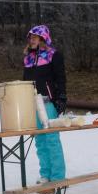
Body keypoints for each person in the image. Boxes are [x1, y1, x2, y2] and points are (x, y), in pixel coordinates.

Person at [23, 25, 67, 183]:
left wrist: (61, 98)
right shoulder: (28, 58)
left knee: (51, 140)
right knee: (40, 141)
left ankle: (58, 177)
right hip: (33, 103)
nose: (31, 40)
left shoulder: (53, 55)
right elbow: (25, 82)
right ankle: (45, 174)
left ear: (43, 38)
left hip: (47, 102)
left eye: (35, 37)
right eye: (30, 37)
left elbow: (60, 78)